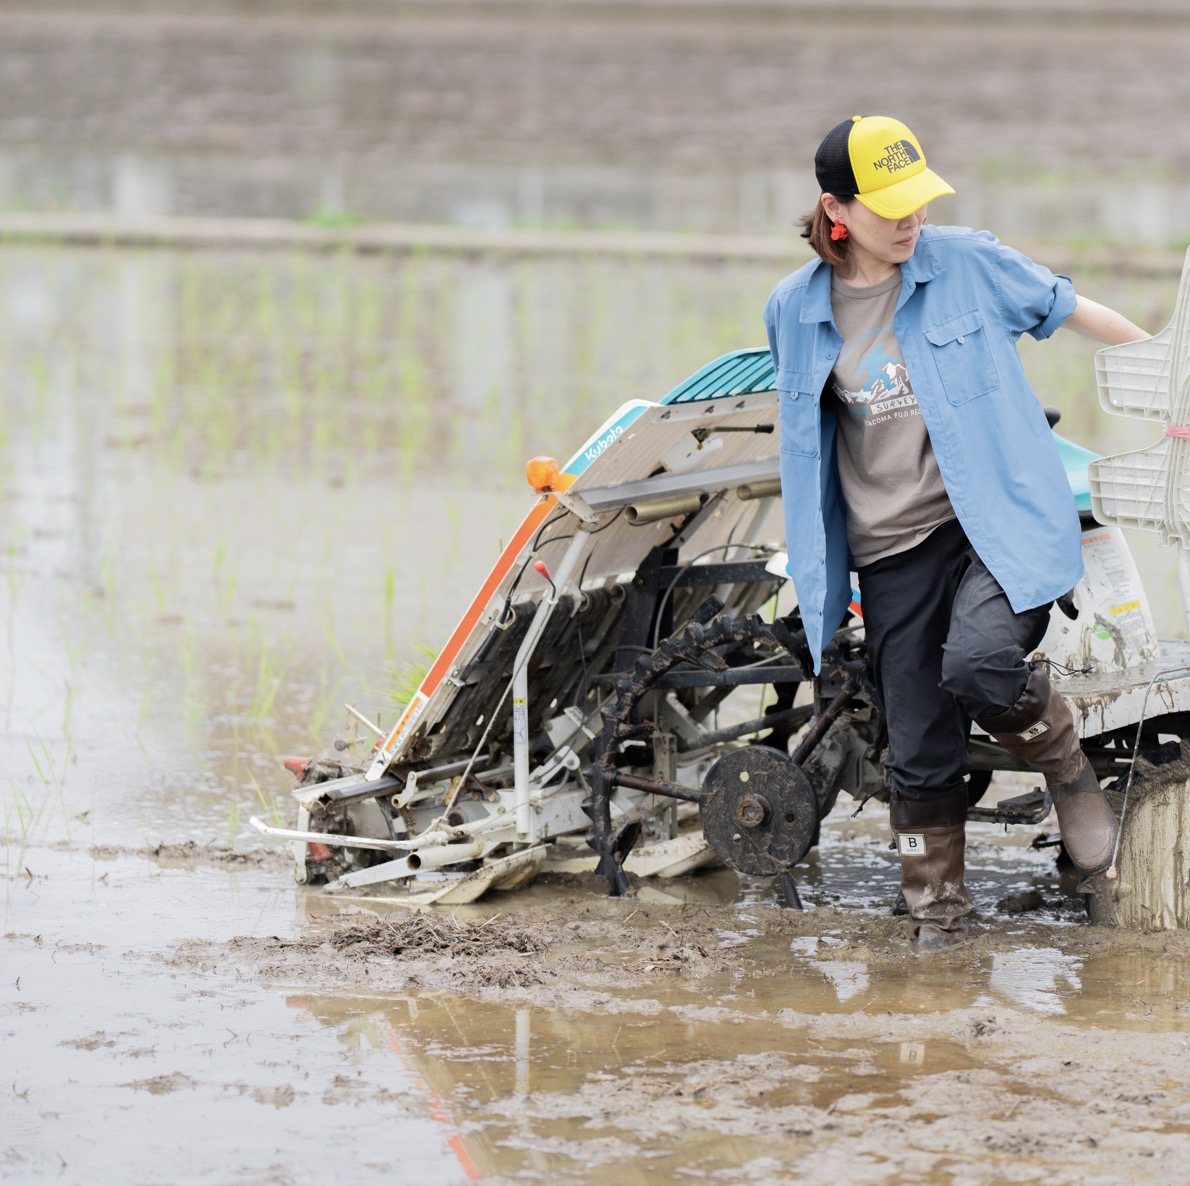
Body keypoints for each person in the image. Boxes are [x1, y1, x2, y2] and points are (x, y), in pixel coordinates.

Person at [763, 114, 1149, 948]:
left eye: (919, 202)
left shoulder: (967, 262)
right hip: (891, 547)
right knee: (919, 743)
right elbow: (805, 445)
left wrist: (1172, 391)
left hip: (995, 527)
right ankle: (938, 919)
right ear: (837, 210)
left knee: (977, 662)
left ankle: (1067, 769)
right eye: (890, 207)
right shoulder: (792, 312)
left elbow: (1073, 308)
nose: (911, 221)